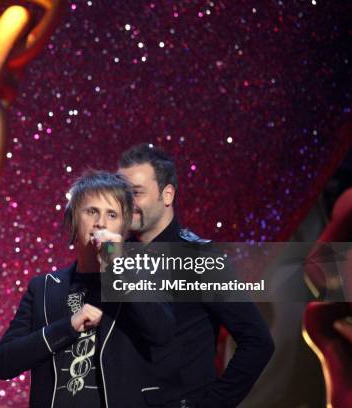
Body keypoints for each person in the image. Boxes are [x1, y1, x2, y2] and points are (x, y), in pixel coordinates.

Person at [0, 170, 175, 407]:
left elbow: (162, 334)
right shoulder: (44, 288)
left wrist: (118, 268)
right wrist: (68, 326)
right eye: (91, 212)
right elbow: (4, 363)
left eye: (112, 214)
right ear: (73, 220)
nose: (101, 222)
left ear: (124, 228)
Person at [117, 144, 275, 407]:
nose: (126, 203)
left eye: (136, 193)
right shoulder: (116, 257)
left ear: (167, 195)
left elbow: (258, 341)